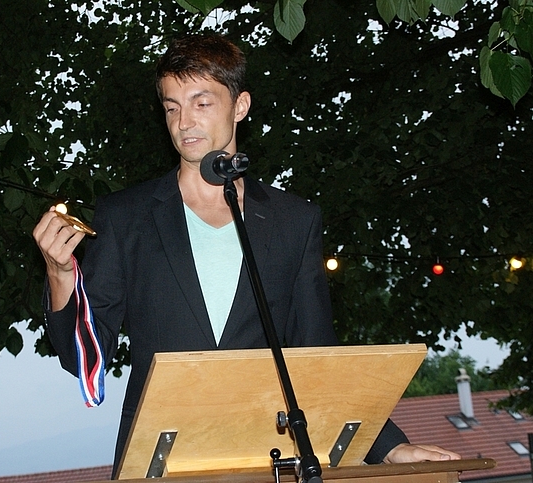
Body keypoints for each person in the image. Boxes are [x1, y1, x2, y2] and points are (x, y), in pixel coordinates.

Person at [32, 33, 460, 476]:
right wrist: (61, 275)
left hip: (268, 458)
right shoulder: (126, 216)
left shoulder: (294, 220)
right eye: (172, 107)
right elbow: (81, 356)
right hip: (159, 461)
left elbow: (316, 356)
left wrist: (390, 448)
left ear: (240, 106)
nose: (184, 123)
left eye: (202, 103)